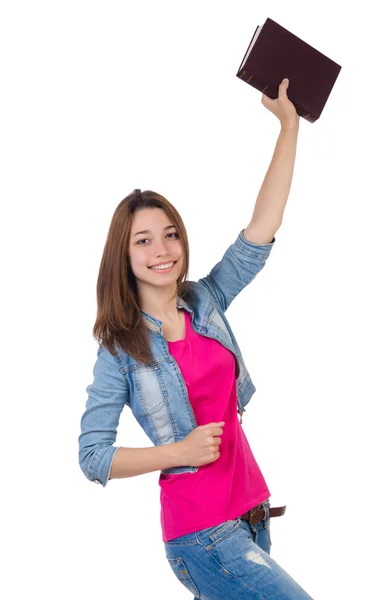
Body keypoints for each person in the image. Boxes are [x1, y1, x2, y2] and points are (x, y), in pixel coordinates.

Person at [78, 79, 314, 599]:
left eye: (170, 234)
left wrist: (289, 127)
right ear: (125, 255)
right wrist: (177, 451)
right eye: (143, 240)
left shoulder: (206, 301)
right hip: (204, 534)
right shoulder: (119, 348)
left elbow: (260, 231)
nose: (162, 249)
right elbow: (93, 455)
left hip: (253, 512)